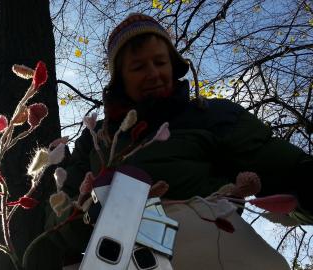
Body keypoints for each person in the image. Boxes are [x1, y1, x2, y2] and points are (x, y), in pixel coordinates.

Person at [24, 13, 313, 270]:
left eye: (160, 62)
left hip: (209, 241)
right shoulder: (97, 138)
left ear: (173, 65)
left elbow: (282, 167)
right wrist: (87, 216)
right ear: (120, 79)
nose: (152, 73)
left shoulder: (211, 115)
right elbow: (60, 217)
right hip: (119, 254)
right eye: (138, 67)